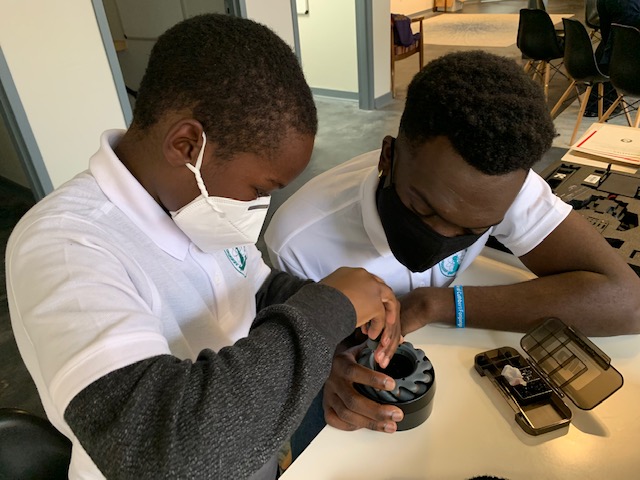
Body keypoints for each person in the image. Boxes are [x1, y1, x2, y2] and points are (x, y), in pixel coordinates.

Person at [5, 14, 402, 480]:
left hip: (249, 454)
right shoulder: (66, 247)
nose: (260, 206)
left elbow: (254, 289)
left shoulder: (194, 204)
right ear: (187, 144)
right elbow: (168, 456)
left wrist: (341, 331)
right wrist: (325, 312)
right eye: (257, 189)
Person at [264, 50, 640, 448]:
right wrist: (322, 371)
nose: (441, 238)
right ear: (388, 157)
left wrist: (439, 304)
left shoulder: (501, 187)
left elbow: (627, 301)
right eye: (422, 208)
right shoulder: (300, 241)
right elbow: (282, 355)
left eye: (473, 229)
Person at [584, 0, 640, 116]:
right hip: (634, 71)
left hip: (616, 64)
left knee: (610, 43)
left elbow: (606, 35)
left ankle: (597, 102)